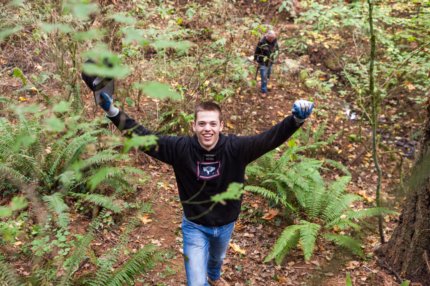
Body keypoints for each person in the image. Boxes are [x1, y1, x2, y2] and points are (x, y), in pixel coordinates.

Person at [82, 73, 313, 286]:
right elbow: (142, 136)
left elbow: (269, 138)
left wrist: (295, 121)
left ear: (221, 126)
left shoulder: (237, 148)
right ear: (194, 126)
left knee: (217, 259)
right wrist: (113, 112)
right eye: (202, 123)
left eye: (213, 124)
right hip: (194, 226)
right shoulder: (179, 148)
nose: (207, 129)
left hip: (226, 224)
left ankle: (214, 276)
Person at [254, 30, 279, 98]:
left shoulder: (275, 41)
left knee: (268, 75)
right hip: (263, 62)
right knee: (264, 76)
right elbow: (257, 51)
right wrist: (255, 59)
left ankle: (263, 83)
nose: (271, 39)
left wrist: (276, 57)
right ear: (267, 36)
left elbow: (277, 50)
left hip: (270, 61)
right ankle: (263, 91)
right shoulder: (262, 42)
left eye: (272, 38)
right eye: (270, 38)